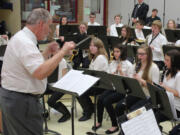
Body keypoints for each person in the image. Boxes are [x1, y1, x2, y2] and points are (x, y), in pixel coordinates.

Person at [0, 8, 75, 135]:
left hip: (15, 98)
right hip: (22, 101)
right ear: (41, 24)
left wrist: (46, 53)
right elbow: (39, 73)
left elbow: (29, 66)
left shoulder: (21, 38)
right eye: (49, 26)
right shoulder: (25, 42)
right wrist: (62, 52)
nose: (50, 30)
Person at [92, 44, 132, 134]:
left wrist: (121, 72)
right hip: (113, 88)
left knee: (107, 101)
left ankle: (115, 125)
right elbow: (108, 76)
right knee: (100, 99)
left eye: (118, 51)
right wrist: (111, 75)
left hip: (123, 90)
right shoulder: (113, 63)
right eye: (114, 51)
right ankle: (99, 121)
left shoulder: (128, 65)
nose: (115, 53)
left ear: (123, 52)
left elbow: (130, 82)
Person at [115, 45, 160, 123]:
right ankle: (123, 128)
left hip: (148, 97)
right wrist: (121, 73)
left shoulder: (154, 68)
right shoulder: (136, 65)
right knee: (119, 107)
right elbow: (129, 79)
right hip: (137, 93)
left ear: (148, 55)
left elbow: (155, 88)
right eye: (138, 54)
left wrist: (141, 80)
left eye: (142, 54)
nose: (139, 56)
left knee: (133, 112)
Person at [78, 37, 109, 121]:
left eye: (94, 46)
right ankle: (90, 108)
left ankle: (88, 111)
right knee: (78, 89)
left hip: (102, 86)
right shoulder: (95, 57)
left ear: (99, 48)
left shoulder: (100, 58)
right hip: (96, 83)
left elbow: (95, 76)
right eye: (90, 45)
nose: (91, 47)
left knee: (80, 91)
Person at [47, 46, 71, 123]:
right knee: (37, 93)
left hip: (61, 87)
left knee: (50, 101)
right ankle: (43, 112)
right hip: (50, 85)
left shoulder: (62, 61)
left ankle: (66, 114)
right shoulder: (48, 60)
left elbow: (65, 78)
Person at [156, 50, 180, 124]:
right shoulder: (167, 71)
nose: (165, 62)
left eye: (167, 60)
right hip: (165, 102)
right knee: (148, 110)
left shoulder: (179, 76)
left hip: (175, 108)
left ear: (174, 62)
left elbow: (179, 94)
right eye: (164, 59)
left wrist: (165, 87)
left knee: (155, 118)